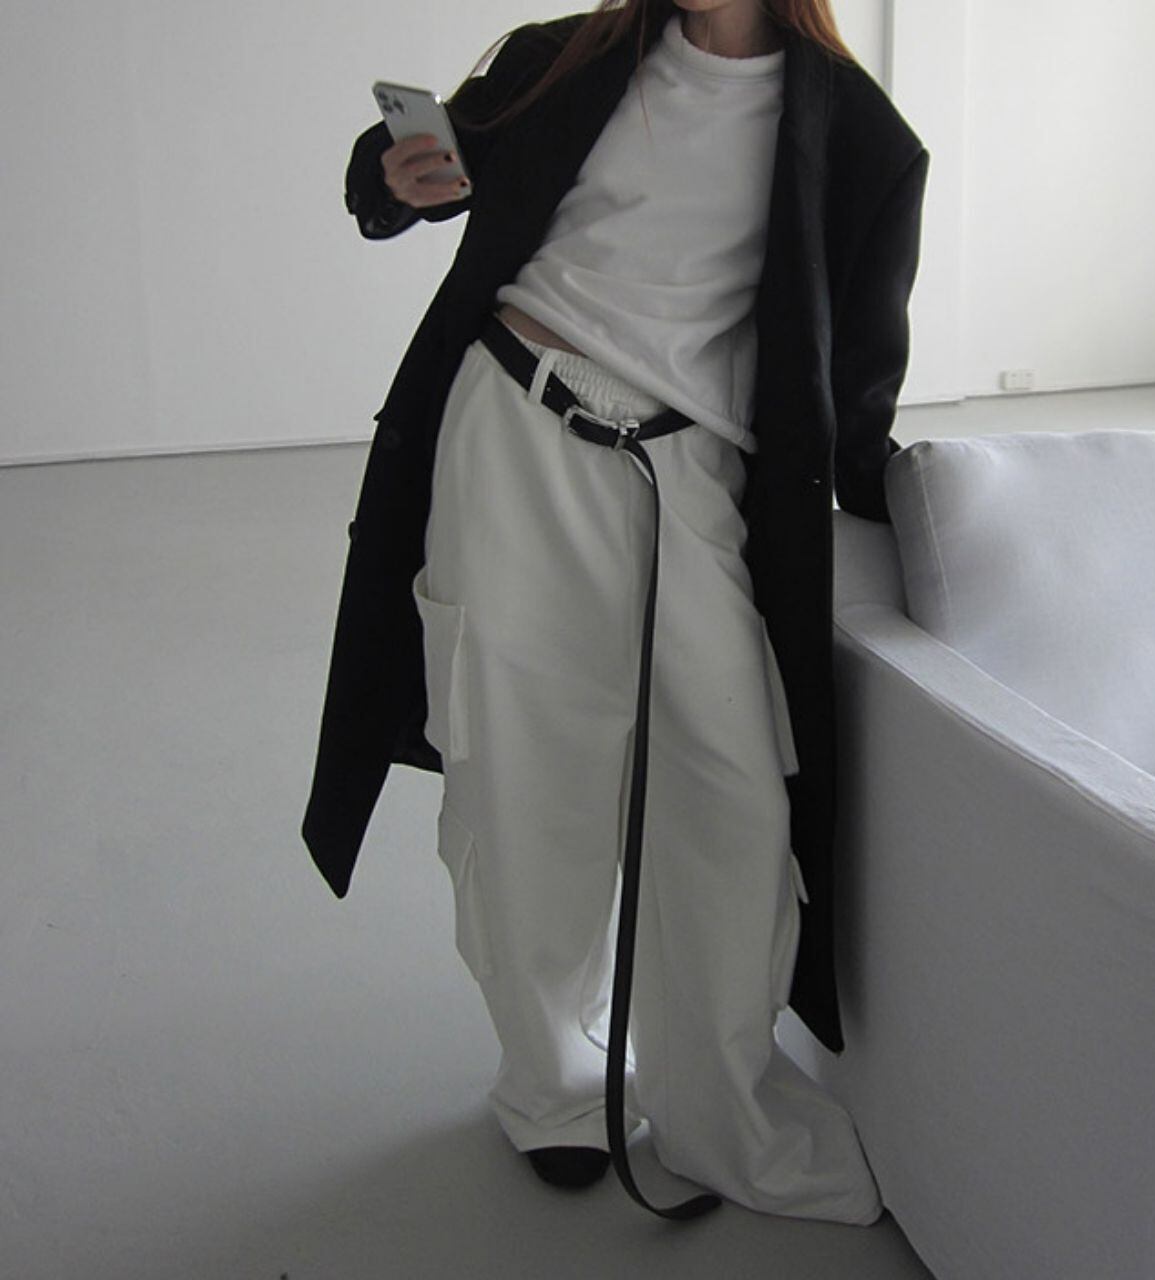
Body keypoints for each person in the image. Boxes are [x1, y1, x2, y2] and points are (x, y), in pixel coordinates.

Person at [304, 0, 929, 1225]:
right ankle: (553, 1086)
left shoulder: (863, 137)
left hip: (687, 471)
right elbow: (402, 171)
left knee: (732, 796)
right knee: (522, 783)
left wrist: (924, 525)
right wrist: (394, 175)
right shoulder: (565, 57)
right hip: (513, 432)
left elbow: (859, 376)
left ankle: (713, 1101)